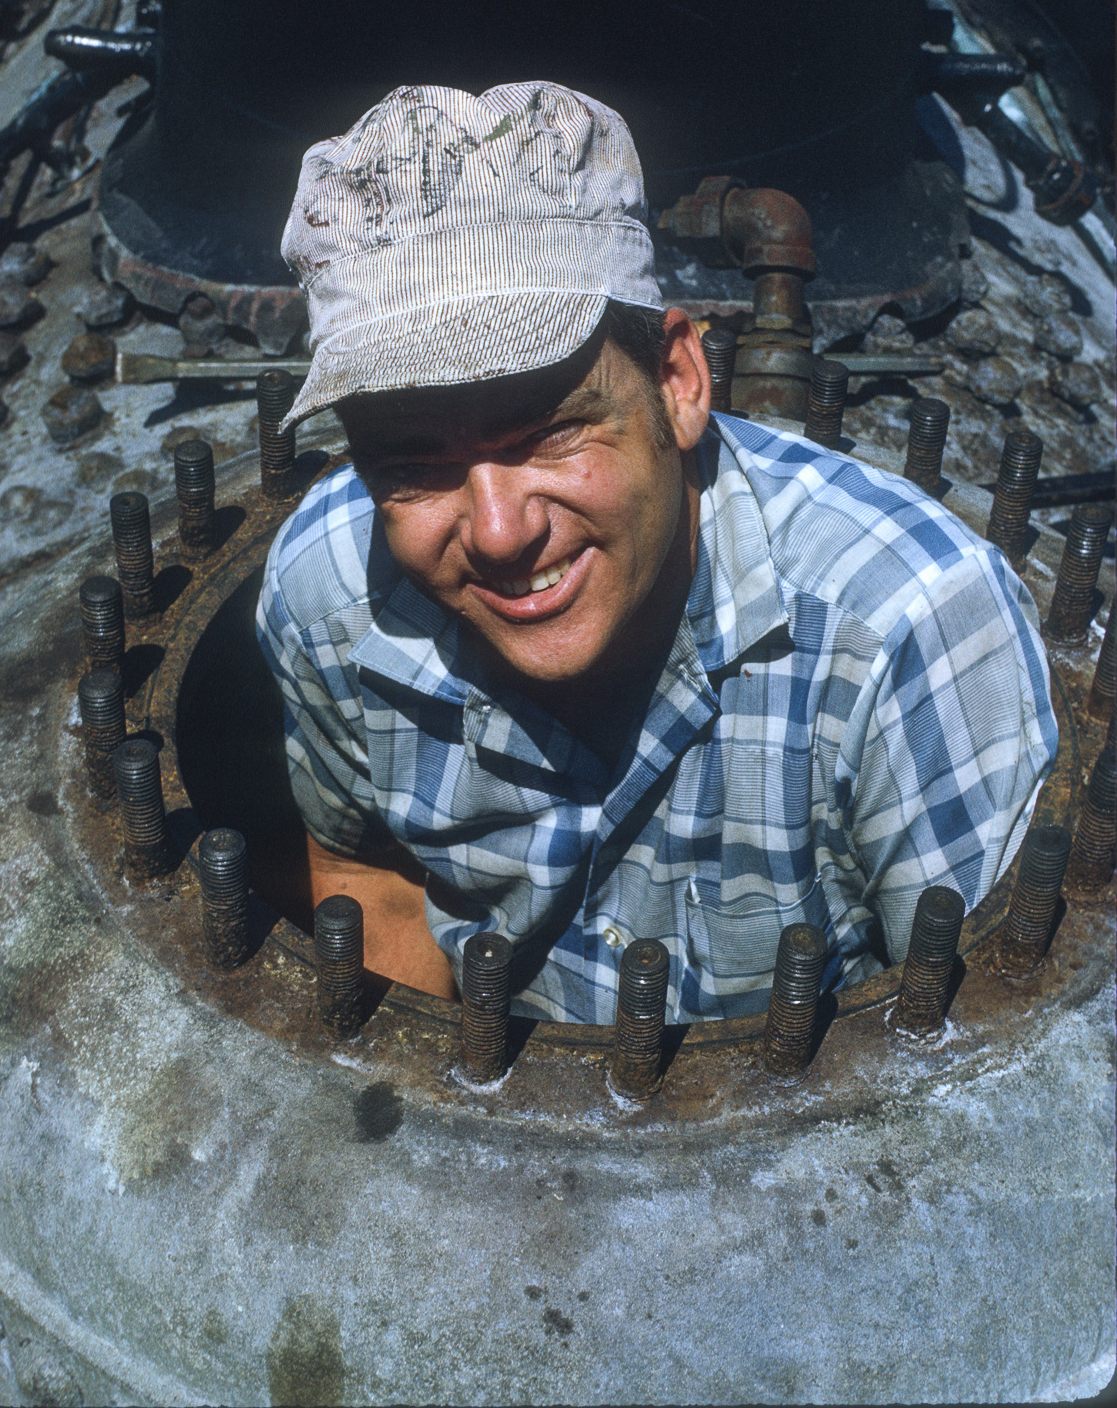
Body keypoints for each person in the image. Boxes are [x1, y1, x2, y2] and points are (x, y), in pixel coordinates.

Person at [256, 80, 1057, 1023]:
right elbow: (364, 871)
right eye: (414, 464)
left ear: (678, 380)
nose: (502, 531)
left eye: (545, 433)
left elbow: (974, 1050)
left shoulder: (912, 632)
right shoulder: (325, 593)